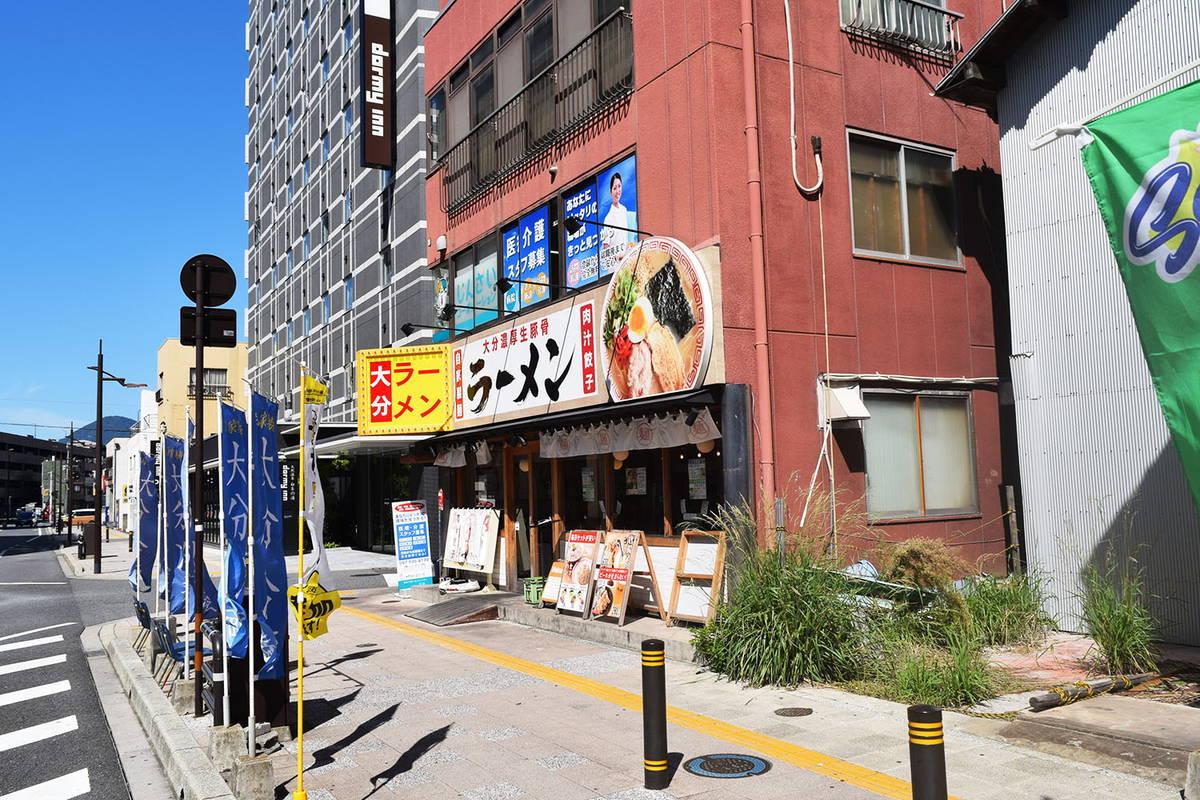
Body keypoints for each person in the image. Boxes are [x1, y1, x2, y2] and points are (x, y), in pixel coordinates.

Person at [600, 170, 637, 274]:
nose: (617, 191)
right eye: (614, 188)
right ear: (610, 192)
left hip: (628, 259)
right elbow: (606, 245)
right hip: (616, 266)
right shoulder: (608, 218)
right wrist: (618, 257)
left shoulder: (624, 210)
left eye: (619, 186)